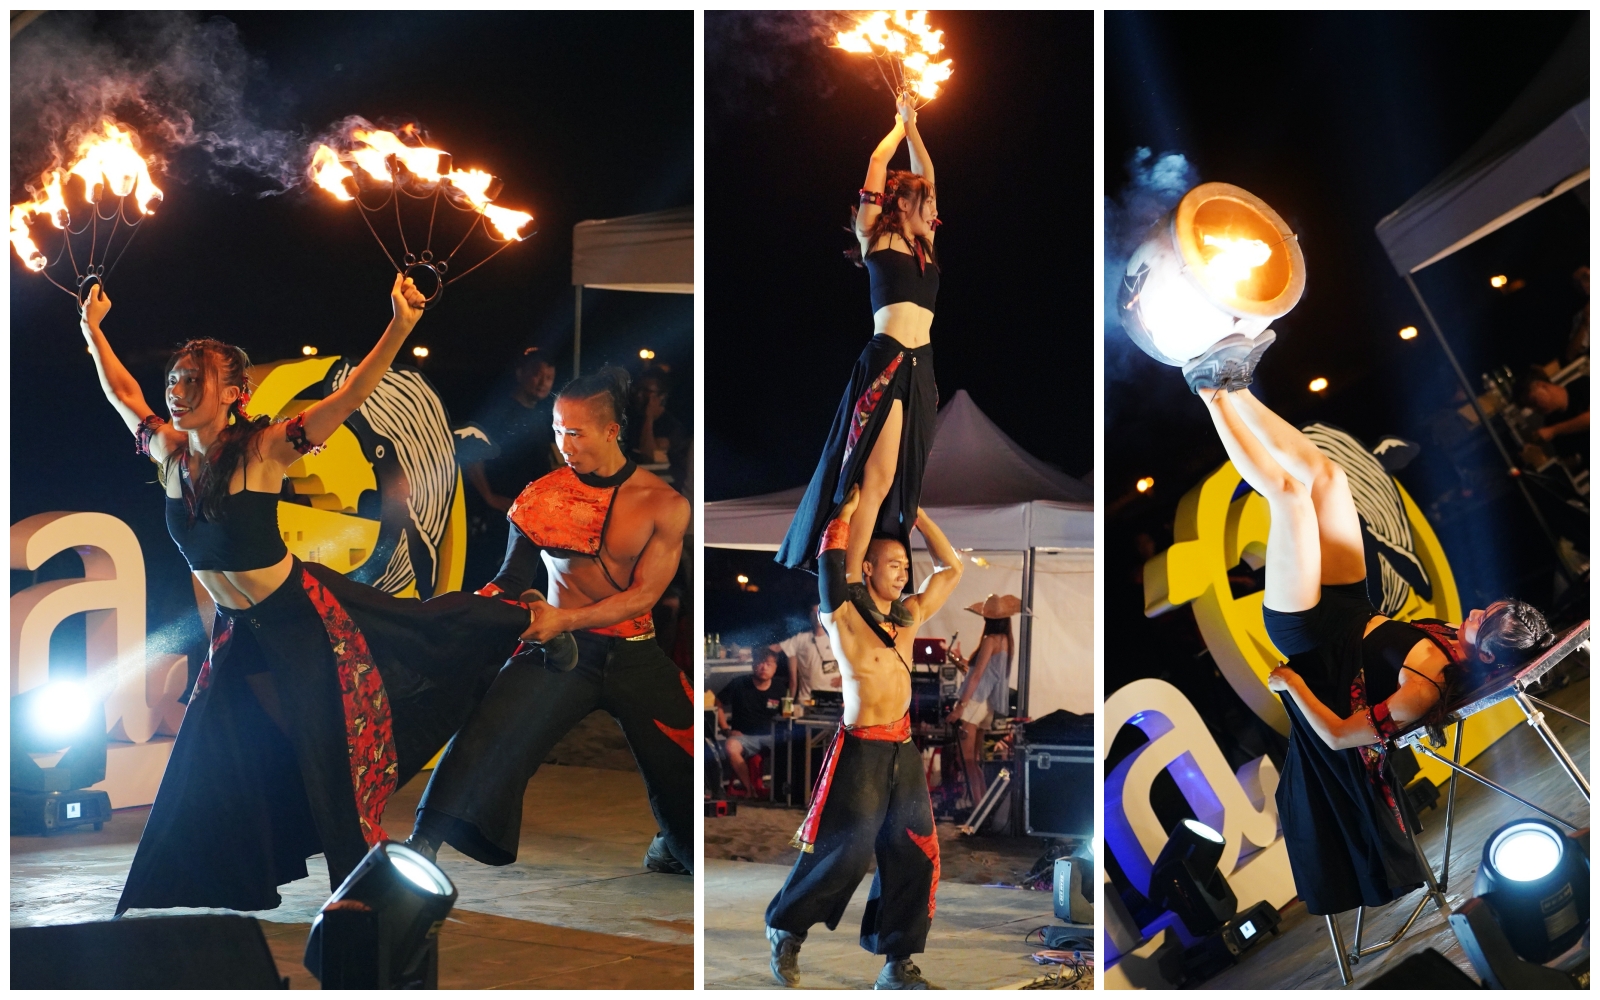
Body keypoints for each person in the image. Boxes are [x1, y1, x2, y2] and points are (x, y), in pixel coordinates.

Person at [87, 276, 539, 914]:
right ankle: (217, 880)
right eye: (175, 379)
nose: (177, 390)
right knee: (218, 754)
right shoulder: (170, 453)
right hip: (239, 631)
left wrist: (401, 325)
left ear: (234, 394)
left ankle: (530, 618)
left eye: (194, 380)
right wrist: (93, 331)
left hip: (304, 621)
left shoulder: (266, 449)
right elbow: (124, 393)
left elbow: (351, 395)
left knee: (338, 748)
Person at [1185, 345, 1554, 919]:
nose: (1477, 610)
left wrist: (1292, 686)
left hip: (1310, 632)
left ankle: (1208, 391)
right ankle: (1237, 384)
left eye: (1484, 618)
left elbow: (1338, 737)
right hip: (1351, 605)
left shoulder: (1424, 689)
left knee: (1288, 498)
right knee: (1329, 479)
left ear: (1486, 652)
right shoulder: (1458, 644)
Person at [406, 366, 696, 877]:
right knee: (490, 731)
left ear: (611, 430)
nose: (564, 444)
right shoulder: (543, 496)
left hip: (634, 650)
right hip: (560, 652)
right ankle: (420, 846)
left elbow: (643, 597)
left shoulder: (665, 505)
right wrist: (478, 609)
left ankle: (675, 844)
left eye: (576, 432)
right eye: (558, 430)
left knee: (685, 749)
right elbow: (511, 579)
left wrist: (564, 617)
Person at [766, 486, 963, 990]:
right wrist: (849, 512)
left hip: (903, 748)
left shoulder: (908, 618)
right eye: (893, 565)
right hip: (862, 748)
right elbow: (831, 567)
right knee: (846, 853)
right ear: (868, 569)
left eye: (905, 565)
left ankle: (897, 963)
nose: (903, 573)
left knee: (915, 852)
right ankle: (787, 928)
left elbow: (951, 569)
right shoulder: (845, 618)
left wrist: (919, 518)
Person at [777, 97, 939, 633]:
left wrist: (917, 130)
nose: (932, 207)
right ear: (902, 201)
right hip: (887, 359)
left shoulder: (926, 244)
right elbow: (875, 166)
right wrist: (898, 125)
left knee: (897, 479)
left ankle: (863, 578)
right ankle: (849, 581)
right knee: (873, 479)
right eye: (923, 200)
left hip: (921, 366)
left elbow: (927, 170)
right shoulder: (876, 236)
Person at [945, 595, 1018, 808]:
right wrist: (960, 660)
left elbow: (976, 677)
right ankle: (984, 807)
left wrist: (960, 707)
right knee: (973, 760)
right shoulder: (1006, 641)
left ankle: (979, 808)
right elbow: (983, 672)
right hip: (987, 705)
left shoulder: (990, 640)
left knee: (966, 760)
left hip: (975, 702)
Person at [717, 647, 785, 795]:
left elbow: (786, 712)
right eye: (760, 663)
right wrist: (726, 729)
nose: (764, 667)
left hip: (771, 736)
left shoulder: (780, 686)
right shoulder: (739, 683)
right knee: (731, 747)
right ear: (753, 664)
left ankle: (782, 791)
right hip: (744, 737)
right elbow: (717, 703)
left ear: (775, 668)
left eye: (768, 664)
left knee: (794, 746)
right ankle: (749, 790)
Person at [626, 368, 690, 495]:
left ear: (662, 396)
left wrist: (649, 417)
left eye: (646, 391)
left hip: (662, 492)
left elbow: (650, 455)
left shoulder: (671, 426)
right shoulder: (631, 421)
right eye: (638, 389)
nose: (639, 395)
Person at [1518, 368, 1590, 461]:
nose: (1534, 409)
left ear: (1542, 385)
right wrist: (1539, 455)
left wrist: (1554, 430)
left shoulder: (1582, 385)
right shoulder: (1551, 421)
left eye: (1534, 402)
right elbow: (1571, 460)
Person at [780, 604, 843, 703]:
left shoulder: (839, 638)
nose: (817, 616)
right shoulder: (800, 639)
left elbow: (857, 662)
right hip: (807, 699)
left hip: (834, 697)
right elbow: (792, 680)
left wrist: (843, 678)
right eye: (814, 613)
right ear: (809, 615)